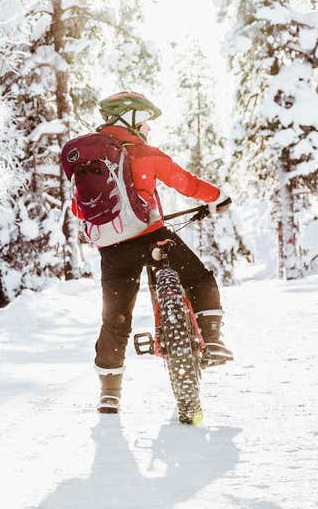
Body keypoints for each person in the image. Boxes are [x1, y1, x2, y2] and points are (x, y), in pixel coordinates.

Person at [68, 92, 233, 414]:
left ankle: (109, 394)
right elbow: (187, 183)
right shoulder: (145, 153)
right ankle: (212, 340)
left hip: (113, 250)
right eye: (144, 122)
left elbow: (79, 209)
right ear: (129, 119)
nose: (147, 129)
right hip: (152, 237)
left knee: (115, 319)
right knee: (199, 277)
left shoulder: (89, 161)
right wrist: (219, 198)